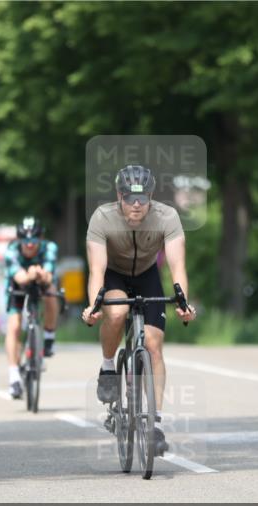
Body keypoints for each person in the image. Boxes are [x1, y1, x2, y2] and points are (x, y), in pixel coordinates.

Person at [81, 164, 196, 455]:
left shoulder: (166, 216)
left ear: (151, 197)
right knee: (117, 313)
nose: (136, 205)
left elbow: (177, 266)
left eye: (142, 199)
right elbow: (97, 270)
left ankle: (154, 423)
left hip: (147, 274)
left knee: (154, 345)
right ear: (119, 196)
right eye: (130, 198)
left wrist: (183, 304)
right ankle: (108, 367)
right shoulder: (102, 218)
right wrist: (95, 305)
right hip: (114, 274)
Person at [4, 216, 59, 399]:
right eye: (25, 240)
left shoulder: (49, 248)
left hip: (42, 281)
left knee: (52, 292)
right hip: (18, 285)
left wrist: (41, 275)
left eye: (34, 240)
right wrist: (31, 274)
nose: (29, 245)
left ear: (40, 239)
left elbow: (49, 276)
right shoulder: (11, 250)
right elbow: (19, 277)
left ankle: (49, 336)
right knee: (14, 326)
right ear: (19, 239)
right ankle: (13, 377)